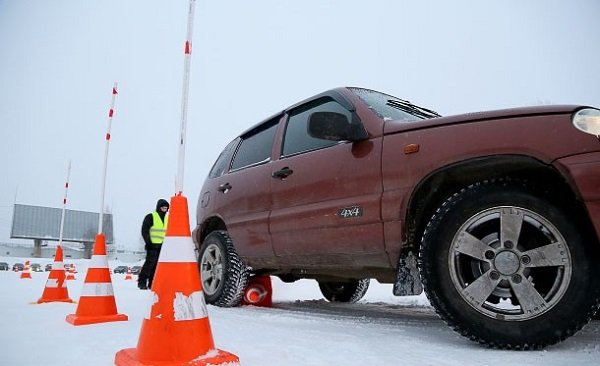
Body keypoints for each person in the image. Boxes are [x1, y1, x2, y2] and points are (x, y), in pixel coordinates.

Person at [138, 198, 169, 290]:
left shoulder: (167, 219)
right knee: (149, 264)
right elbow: (145, 230)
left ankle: (152, 283)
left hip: (162, 247)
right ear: (159, 208)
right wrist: (148, 242)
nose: (165, 210)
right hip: (152, 245)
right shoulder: (151, 216)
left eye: (166, 208)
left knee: (156, 266)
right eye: (163, 208)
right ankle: (142, 282)